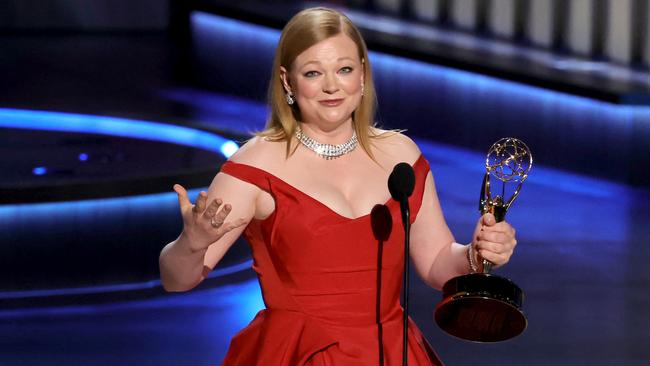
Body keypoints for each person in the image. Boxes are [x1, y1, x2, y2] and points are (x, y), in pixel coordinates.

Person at [159, 7, 517, 365]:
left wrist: (476, 254)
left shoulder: (400, 155)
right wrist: (192, 243)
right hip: (300, 354)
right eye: (313, 73)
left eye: (344, 69)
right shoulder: (256, 165)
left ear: (362, 74)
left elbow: (438, 263)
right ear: (288, 81)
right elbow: (177, 279)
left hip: (388, 353)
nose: (332, 86)